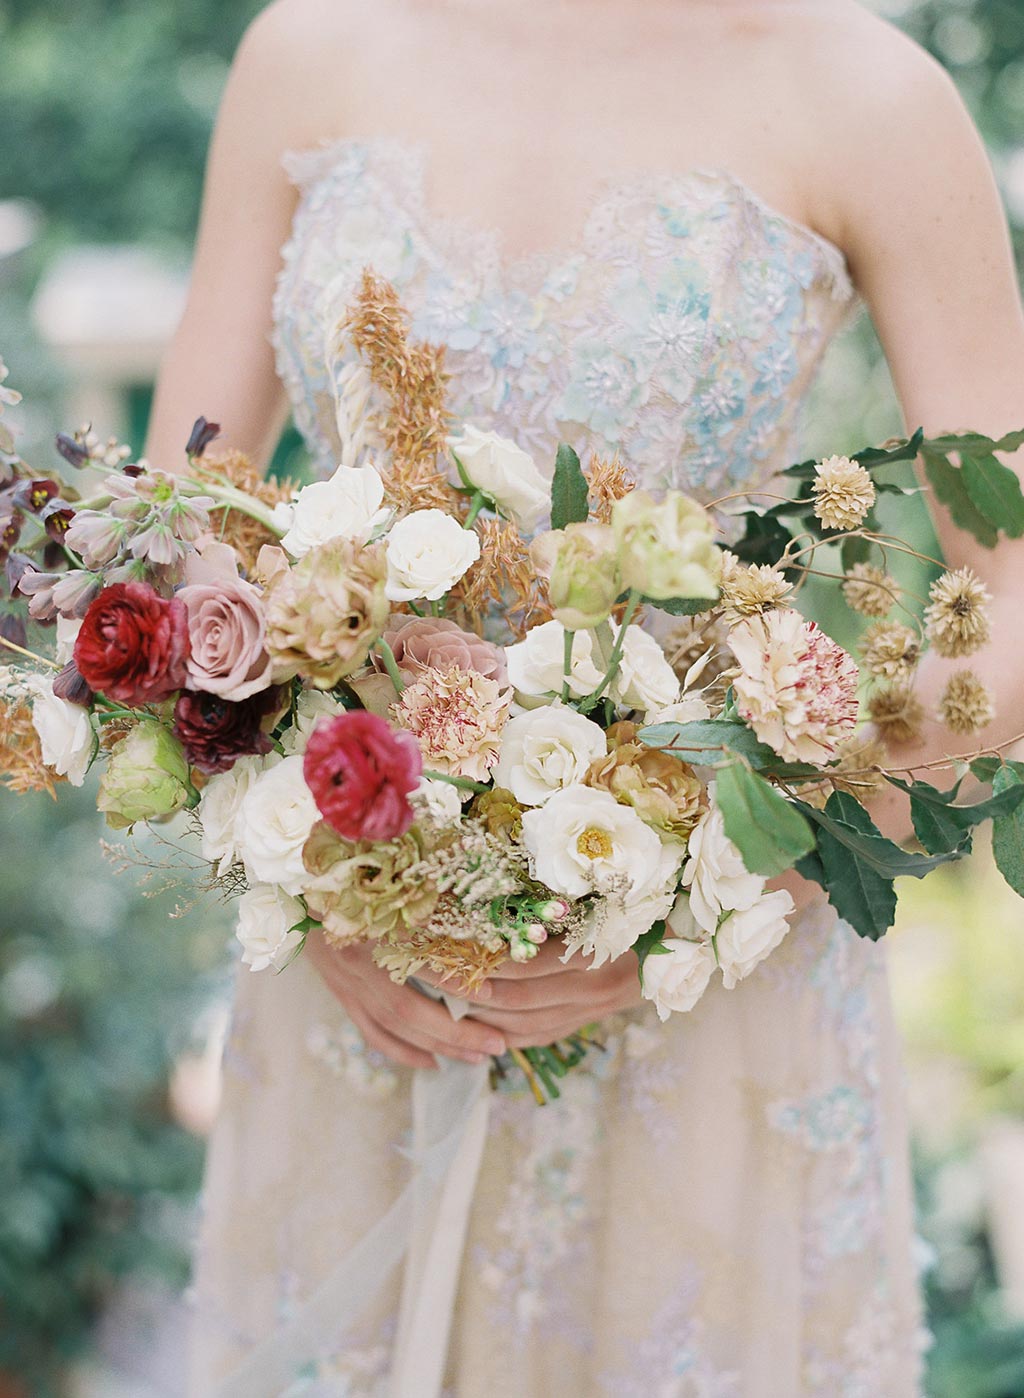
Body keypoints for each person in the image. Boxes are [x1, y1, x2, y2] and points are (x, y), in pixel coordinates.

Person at [144, 0, 1024, 1391]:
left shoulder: (863, 90)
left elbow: (1016, 602)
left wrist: (723, 855)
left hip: (707, 992)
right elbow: (182, 513)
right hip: (359, 962)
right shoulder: (309, 48)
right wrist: (307, 854)